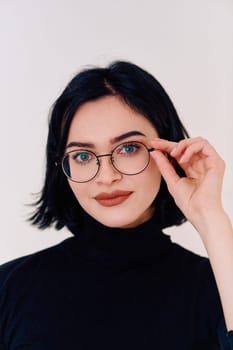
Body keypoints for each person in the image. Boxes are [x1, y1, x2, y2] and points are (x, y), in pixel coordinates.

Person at [0, 61, 232, 350]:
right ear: (62, 166)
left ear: (168, 151)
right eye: (83, 156)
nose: (107, 177)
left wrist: (211, 217)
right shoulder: (9, 288)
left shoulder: (219, 287)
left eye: (129, 148)